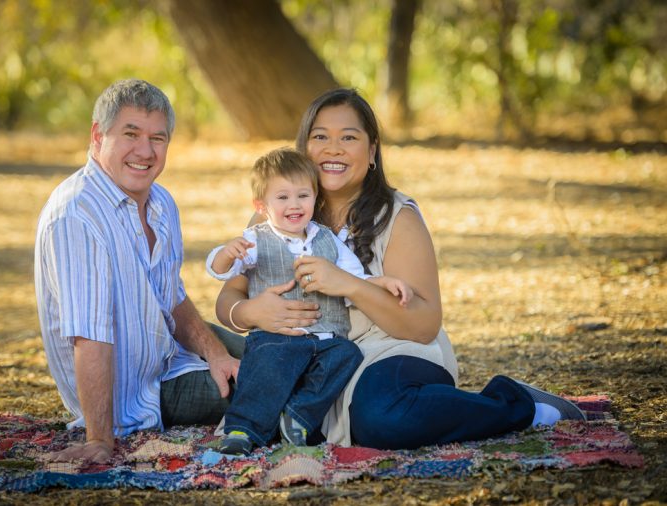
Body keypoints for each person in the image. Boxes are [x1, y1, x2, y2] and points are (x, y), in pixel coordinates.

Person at [215, 88, 586, 451]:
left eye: (349, 137)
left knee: (382, 417)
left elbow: (424, 325)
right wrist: (250, 311)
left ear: (372, 150)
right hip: (302, 355)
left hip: (389, 351)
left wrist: (350, 285)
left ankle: (516, 402)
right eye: (320, 137)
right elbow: (227, 298)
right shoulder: (276, 215)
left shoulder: (398, 217)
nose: (333, 149)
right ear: (303, 147)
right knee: (241, 396)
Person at [34, 79, 243, 463]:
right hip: (140, 393)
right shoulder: (77, 215)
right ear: (98, 136)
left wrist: (215, 353)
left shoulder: (161, 202)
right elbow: (89, 335)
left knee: (282, 353)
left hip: (167, 351)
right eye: (131, 134)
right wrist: (99, 439)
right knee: (267, 389)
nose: (145, 151)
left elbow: (171, 298)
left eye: (158, 138)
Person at [206, 148, 411, 455]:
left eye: (303, 195)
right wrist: (225, 255)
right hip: (278, 335)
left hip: (325, 336)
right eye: (283, 197)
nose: (294, 204)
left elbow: (355, 277)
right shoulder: (257, 240)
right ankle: (242, 429)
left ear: (315, 198)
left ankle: (297, 416)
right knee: (264, 369)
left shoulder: (327, 239)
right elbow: (221, 272)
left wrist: (382, 282)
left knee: (348, 355)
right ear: (261, 205)